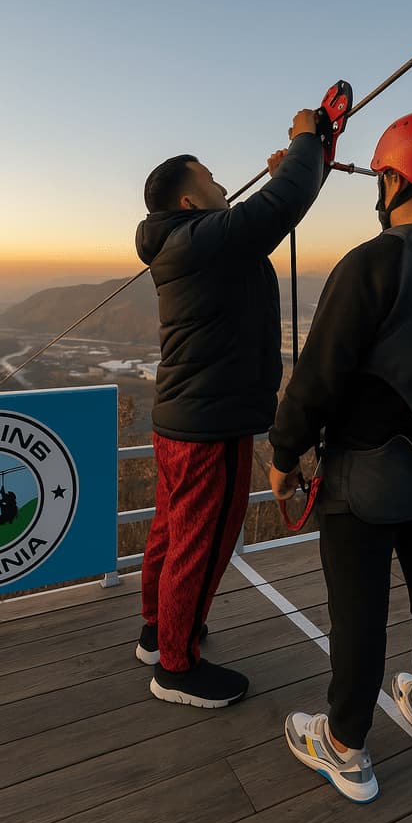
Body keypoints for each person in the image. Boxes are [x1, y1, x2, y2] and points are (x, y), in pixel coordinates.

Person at [269, 109, 412, 802]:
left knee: (358, 612)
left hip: (365, 479)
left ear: (396, 176)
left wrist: (284, 451)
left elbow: (318, 374)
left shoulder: (374, 261)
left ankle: (345, 747)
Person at [135, 108, 325, 708]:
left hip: (183, 420)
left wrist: (296, 167)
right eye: (212, 180)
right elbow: (277, 209)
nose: (222, 186)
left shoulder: (188, 244)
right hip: (209, 426)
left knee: (171, 531)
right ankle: (177, 666)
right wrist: (303, 138)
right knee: (204, 541)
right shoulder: (198, 240)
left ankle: (156, 632)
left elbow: (275, 206)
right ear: (191, 201)